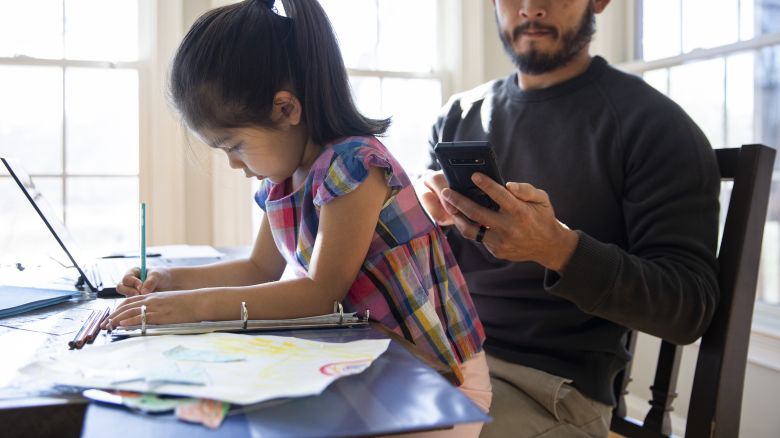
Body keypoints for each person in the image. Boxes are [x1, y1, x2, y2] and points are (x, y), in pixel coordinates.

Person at [105, 0, 491, 435]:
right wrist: (170, 280)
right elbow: (258, 268)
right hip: (368, 363)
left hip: (436, 378)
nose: (235, 165)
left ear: (286, 109)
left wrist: (191, 307)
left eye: (234, 145)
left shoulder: (354, 165)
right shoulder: (281, 179)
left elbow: (319, 293)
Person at [418, 0, 720, 437]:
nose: (530, 8)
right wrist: (420, 219)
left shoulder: (654, 125)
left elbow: (690, 308)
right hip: (445, 359)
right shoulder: (458, 116)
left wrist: (557, 248)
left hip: (552, 390)